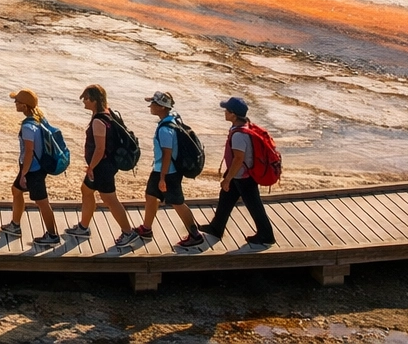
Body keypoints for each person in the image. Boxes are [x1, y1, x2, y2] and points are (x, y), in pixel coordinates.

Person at [68, 84, 138, 246]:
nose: (84, 101)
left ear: (94, 100)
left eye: (86, 98)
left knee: (110, 199)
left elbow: (100, 149)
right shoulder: (108, 113)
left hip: (102, 167)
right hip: (104, 165)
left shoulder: (98, 121)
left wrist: (91, 167)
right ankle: (83, 227)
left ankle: (128, 233)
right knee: (86, 190)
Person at [201, 96, 275, 247]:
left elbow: (238, 159)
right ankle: (216, 227)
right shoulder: (243, 127)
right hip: (238, 174)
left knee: (254, 205)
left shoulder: (239, 135)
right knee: (225, 198)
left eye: (226, 110)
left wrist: (228, 178)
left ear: (233, 114)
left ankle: (266, 236)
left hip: (243, 177)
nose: (224, 113)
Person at [135, 91, 203, 248]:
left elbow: (167, 154)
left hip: (167, 172)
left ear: (160, 107)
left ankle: (195, 235)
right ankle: (146, 228)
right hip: (161, 169)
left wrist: (163, 178)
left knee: (178, 202)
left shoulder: (165, 129)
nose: (150, 106)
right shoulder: (173, 118)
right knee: (150, 196)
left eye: (153, 103)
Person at [0, 89, 59, 246]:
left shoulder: (27, 127)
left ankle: (53, 235)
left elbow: (29, 152)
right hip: (35, 167)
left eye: (17, 102)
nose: (15, 104)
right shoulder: (39, 117)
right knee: (16, 190)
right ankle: (15, 225)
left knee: (42, 202)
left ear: (25, 106)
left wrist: (24, 174)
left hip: (33, 170)